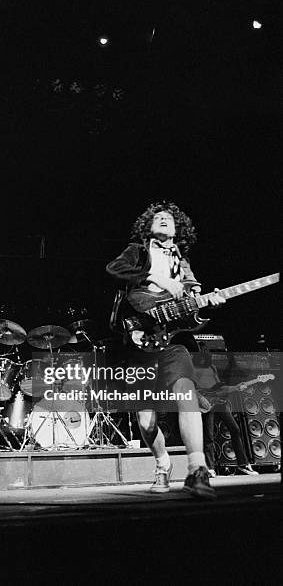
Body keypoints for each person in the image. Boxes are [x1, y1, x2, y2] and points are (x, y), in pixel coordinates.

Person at [106, 201, 225, 499]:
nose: (162, 218)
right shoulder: (139, 250)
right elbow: (114, 269)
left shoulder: (182, 262)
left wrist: (206, 300)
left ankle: (197, 471)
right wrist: (154, 277)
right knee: (147, 422)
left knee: (185, 393)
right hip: (138, 343)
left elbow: (192, 300)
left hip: (171, 341)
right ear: (148, 226)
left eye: (167, 218)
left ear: (178, 228)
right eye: (157, 217)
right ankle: (162, 463)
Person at [193, 342, 258, 477]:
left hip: (218, 402)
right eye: (204, 350)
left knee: (235, 429)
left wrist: (236, 387)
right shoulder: (192, 368)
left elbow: (219, 388)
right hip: (205, 404)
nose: (208, 353)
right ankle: (210, 467)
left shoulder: (212, 367)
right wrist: (200, 398)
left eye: (208, 350)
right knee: (208, 437)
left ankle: (242, 464)